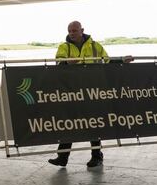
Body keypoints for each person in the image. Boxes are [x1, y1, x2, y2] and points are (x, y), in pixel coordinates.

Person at [48, 21, 132, 168]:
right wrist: (67, 63)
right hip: (72, 93)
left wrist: (121, 60)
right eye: (70, 31)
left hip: (93, 92)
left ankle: (97, 157)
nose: (72, 33)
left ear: (82, 30)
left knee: (93, 124)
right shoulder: (64, 47)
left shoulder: (95, 46)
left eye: (74, 30)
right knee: (70, 124)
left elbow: (107, 61)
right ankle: (62, 157)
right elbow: (58, 66)